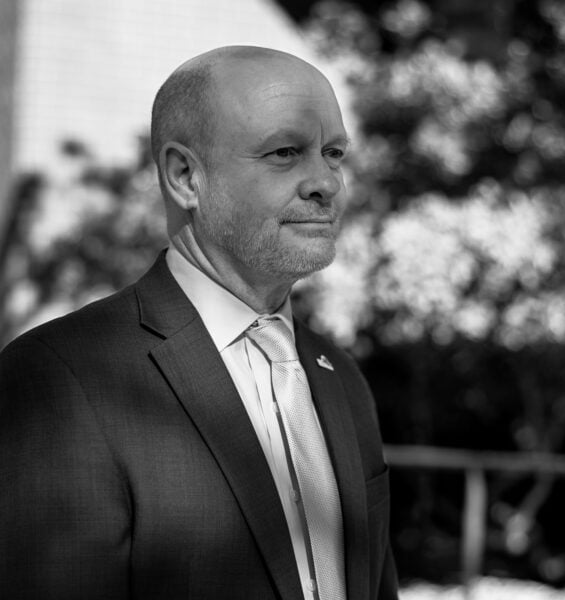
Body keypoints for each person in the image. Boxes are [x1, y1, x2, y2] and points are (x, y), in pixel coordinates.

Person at [0, 46, 398, 600]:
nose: (325, 182)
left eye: (333, 153)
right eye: (285, 152)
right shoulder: (59, 379)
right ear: (185, 175)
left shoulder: (342, 379)